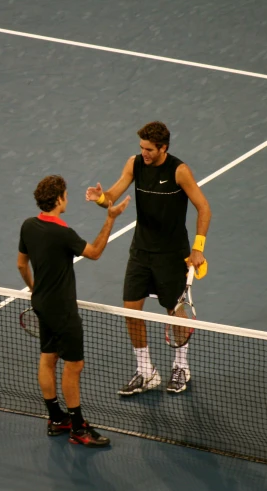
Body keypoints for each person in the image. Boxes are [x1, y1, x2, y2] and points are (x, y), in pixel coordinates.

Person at [85, 121, 211, 394]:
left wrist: (198, 248)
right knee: (130, 310)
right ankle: (146, 371)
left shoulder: (179, 171)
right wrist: (99, 198)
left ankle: (180, 367)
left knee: (174, 314)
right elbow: (113, 195)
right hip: (140, 251)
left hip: (172, 254)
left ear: (163, 148)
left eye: (149, 149)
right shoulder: (135, 164)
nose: (144, 153)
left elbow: (204, 208)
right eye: (142, 147)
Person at [18, 175, 130, 447]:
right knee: (74, 365)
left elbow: (22, 265)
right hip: (62, 311)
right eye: (65, 195)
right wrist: (110, 218)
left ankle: (56, 419)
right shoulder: (62, 233)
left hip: (42, 304)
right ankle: (78, 428)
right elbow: (94, 253)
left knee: (48, 358)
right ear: (58, 199)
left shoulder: (28, 226)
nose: (67, 198)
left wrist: (35, 289)